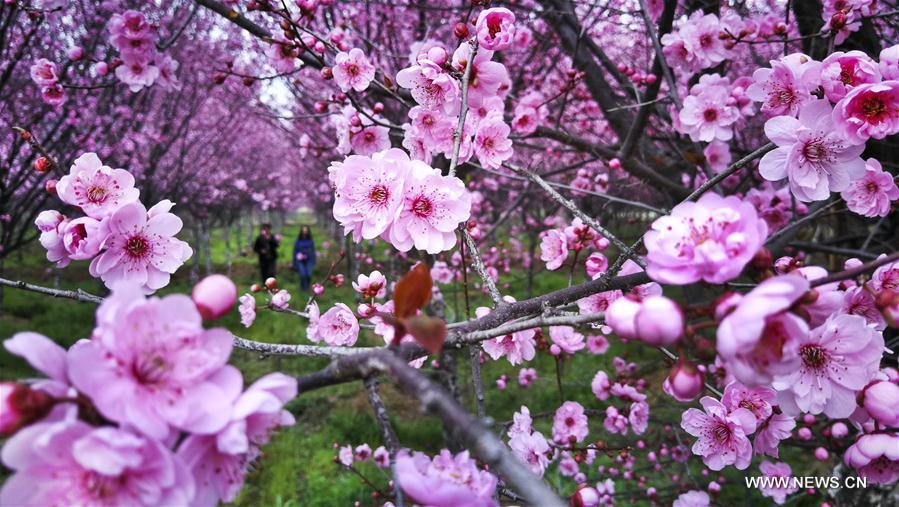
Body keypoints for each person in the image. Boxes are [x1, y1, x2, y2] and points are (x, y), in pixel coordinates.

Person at [293, 226, 316, 291]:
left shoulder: (310, 241)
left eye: (306, 231)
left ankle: (307, 286)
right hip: (300, 260)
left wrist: (313, 260)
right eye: (303, 231)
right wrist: (294, 261)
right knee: (303, 274)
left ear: (308, 232)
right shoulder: (298, 241)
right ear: (301, 232)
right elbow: (295, 251)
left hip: (309, 260)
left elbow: (313, 251)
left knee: (308, 274)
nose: (305, 232)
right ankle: (302, 287)